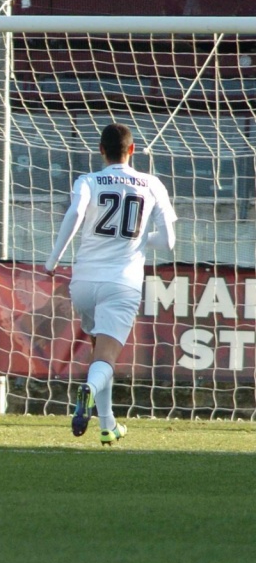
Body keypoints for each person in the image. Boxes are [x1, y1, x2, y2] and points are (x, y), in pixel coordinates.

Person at [45, 123, 176, 445]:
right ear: (132, 150)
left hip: (84, 284)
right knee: (106, 356)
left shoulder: (88, 180)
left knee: (97, 351)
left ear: (101, 151)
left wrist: (52, 260)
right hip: (122, 283)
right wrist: (140, 238)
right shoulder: (151, 183)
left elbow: (76, 213)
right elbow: (169, 242)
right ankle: (88, 390)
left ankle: (108, 424)